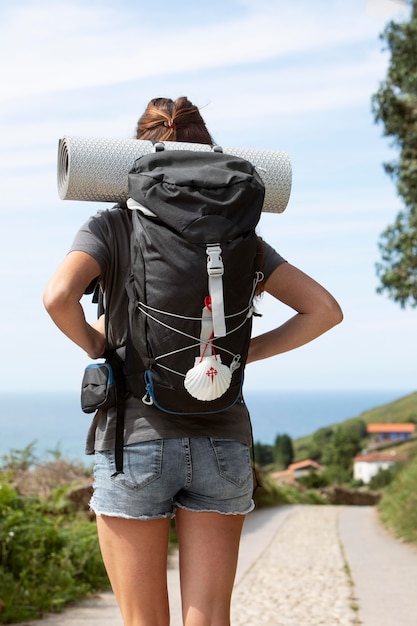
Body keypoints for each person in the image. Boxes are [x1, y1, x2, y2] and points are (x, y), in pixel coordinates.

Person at [43, 96, 343, 626]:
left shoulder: (113, 225)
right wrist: (245, 354)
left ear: (134, 157)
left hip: (133, 439)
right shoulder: (240, 237)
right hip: (222, 439)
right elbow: (325, 311)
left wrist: (99, 348)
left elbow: (57, 297)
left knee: (144, 620)